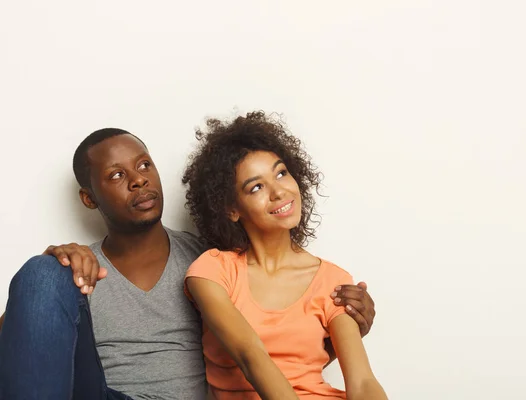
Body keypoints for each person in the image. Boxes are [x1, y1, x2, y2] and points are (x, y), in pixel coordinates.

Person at [0, 128, 377, 400]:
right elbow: (23, 345)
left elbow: (269, 345)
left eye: (144, 165)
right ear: (89, 198)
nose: (138, 181)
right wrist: (56, 267)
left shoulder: (209, 261)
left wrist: (347, 325)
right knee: (43, 269)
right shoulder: (79, 270)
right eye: (117, 176)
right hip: (102, 393)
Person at [183, 112, 387, 399]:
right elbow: (250, 355)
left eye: (281, 173)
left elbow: (363, 382)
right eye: (256, 187)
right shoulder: (212, 271)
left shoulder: (333, 280)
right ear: (231, 209)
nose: (279, 192)